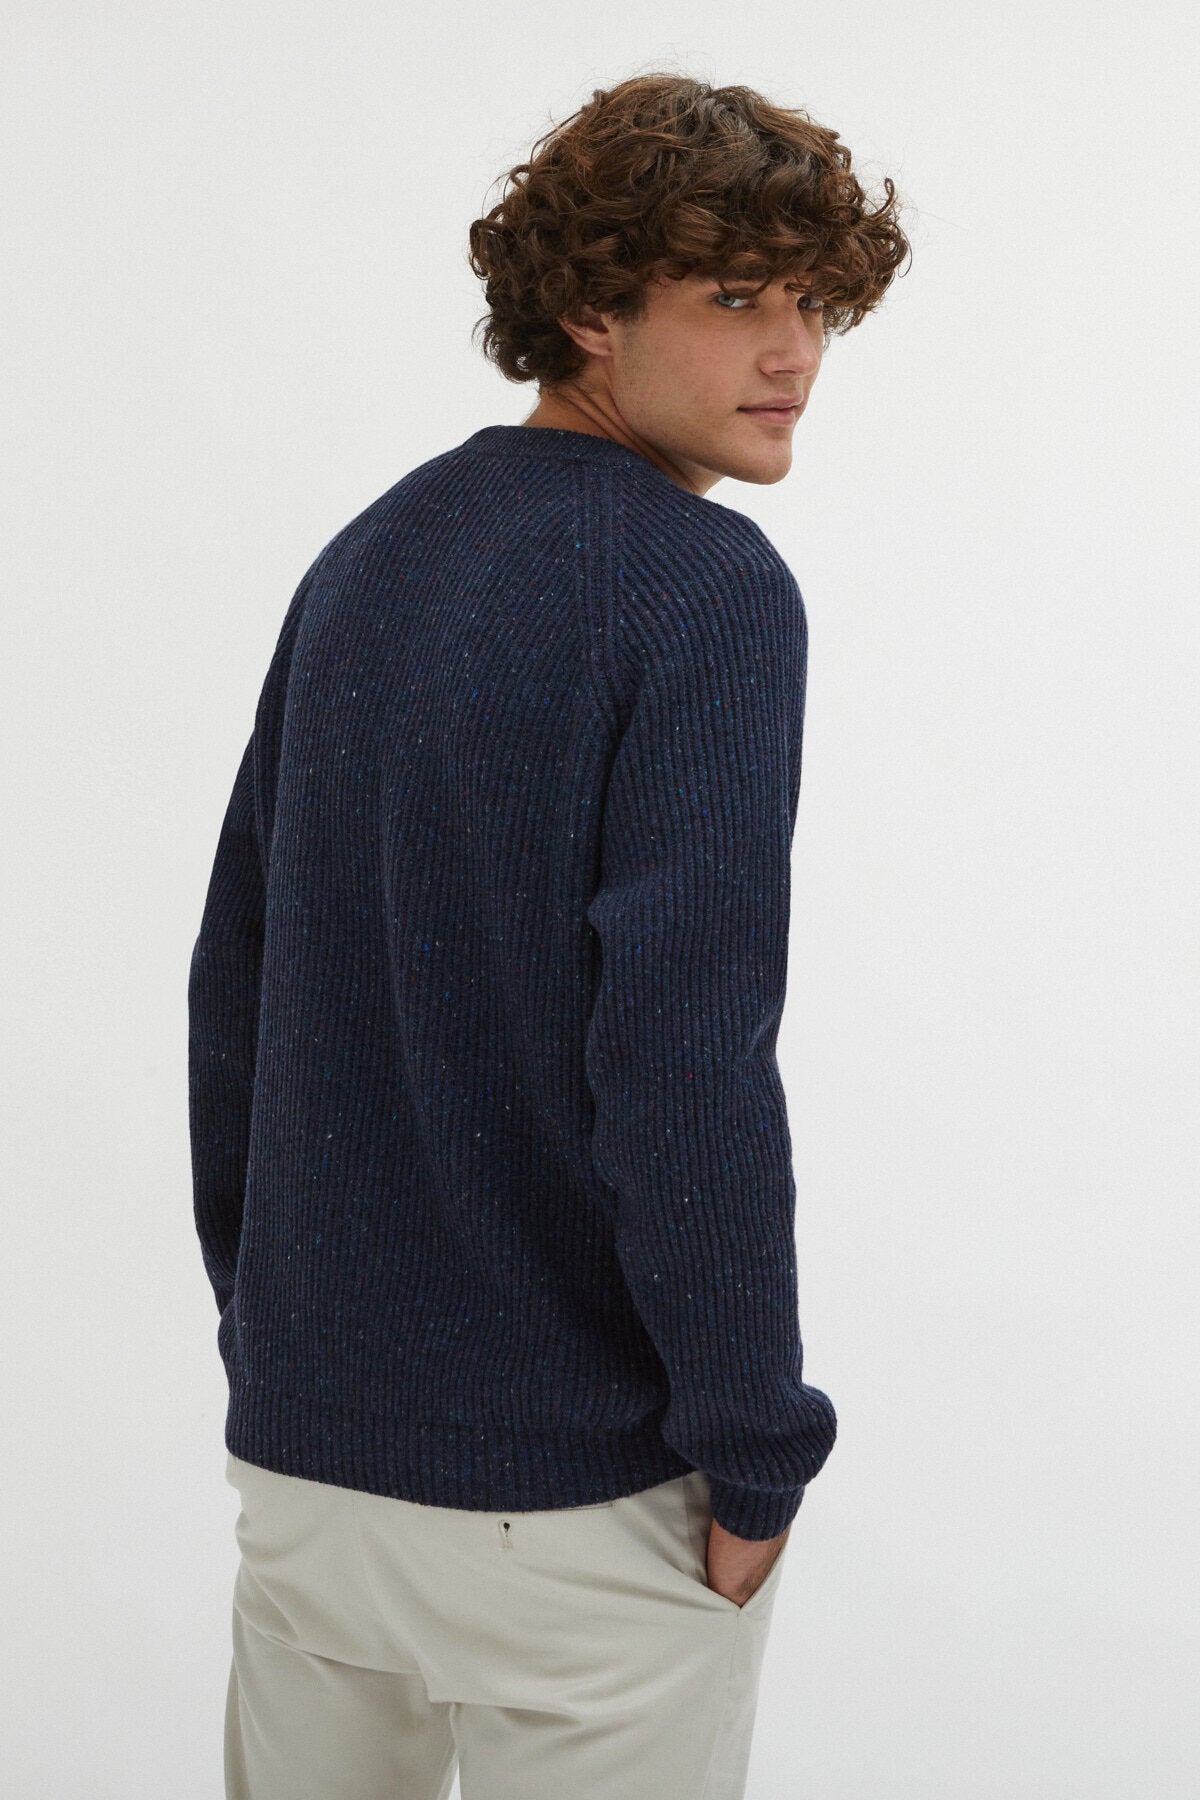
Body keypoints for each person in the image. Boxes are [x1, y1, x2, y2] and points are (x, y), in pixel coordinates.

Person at [189, 71, 910, 1800]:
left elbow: (238, 987)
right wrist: (755, 1448)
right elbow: (684, 1060)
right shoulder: (701, 587)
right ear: (590, 310)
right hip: (581, 1516)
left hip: (310, 1487)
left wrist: (274, 1348)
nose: (793, 353)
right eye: (734, 297)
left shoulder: (369, 556)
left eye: (814, 305)